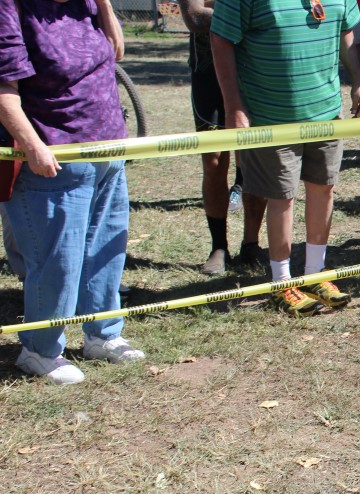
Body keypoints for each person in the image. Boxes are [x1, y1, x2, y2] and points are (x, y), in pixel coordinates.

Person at [0, 0, 145, 384]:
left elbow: (115, 50)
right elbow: (3, 89)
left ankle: (103, 334)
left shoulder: (87, 4)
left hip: (107, 152)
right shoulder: (11, 7)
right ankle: (39, 350)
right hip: (51, 161)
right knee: (57, 263)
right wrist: (32, 146)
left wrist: (104, 4)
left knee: (105, 251)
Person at [211, 0, 360, 317]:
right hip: (271, 115)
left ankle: (315, 274)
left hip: (326, 111)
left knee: (324, 188)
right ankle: (281, 282)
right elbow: (221, 39)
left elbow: (345, 31)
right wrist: (233, 105)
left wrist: (358, 82)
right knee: (282, 196)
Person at [180, 0, 268, 276]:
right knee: (215, 162)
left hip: (254, 68)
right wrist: (254, 13)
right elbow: (195, 17)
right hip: (208, 72)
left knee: (254, 159)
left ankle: (251, 243)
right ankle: (219, 247)